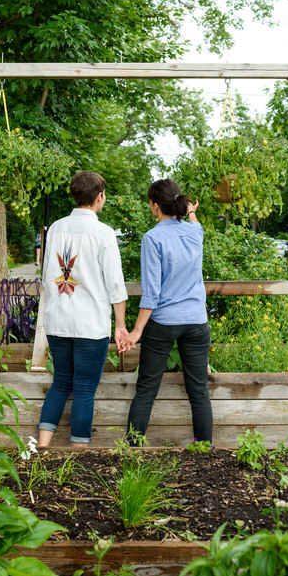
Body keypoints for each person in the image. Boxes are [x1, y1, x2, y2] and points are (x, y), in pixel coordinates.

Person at [37, 171, 129, 448]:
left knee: (61, 384)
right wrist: (121, 326)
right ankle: (78, 453)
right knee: (85, 390)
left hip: (58, 320)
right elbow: (115, 284)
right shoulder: (103, 233)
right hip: (90, 324)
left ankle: (42, 447)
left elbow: (46, 275)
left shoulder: (55, 228)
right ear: (99, 197)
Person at [120, 178, 213, 444]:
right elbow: (194, 222)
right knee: (199, 391)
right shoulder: (195, 233)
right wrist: (192, 210)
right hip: (196, 321)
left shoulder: (152, 238)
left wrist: (136, 331)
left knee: (147, 389)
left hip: (162, 322)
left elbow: (151, 292)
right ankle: (205, 451)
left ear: (154, 206)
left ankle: (133, 449)